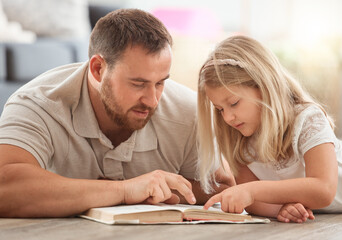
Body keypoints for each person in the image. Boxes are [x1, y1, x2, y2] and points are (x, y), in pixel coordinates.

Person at [0, 9, 235, 217]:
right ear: (98, 69)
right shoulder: (37, 104)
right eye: (138, 84)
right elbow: (5, 186)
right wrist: (124, 191)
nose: (152, 100)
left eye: (160, 83)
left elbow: (223, 187)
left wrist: (156, 191)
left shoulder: (185, 111)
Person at [197, 35, 342, 223]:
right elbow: (253, 201)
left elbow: (324, 189)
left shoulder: (307, 119)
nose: (227, 117)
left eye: (234, 103)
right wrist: (281, 209)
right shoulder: (237, 138)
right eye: (219, 109)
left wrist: (251, 191)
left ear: (264, 87)